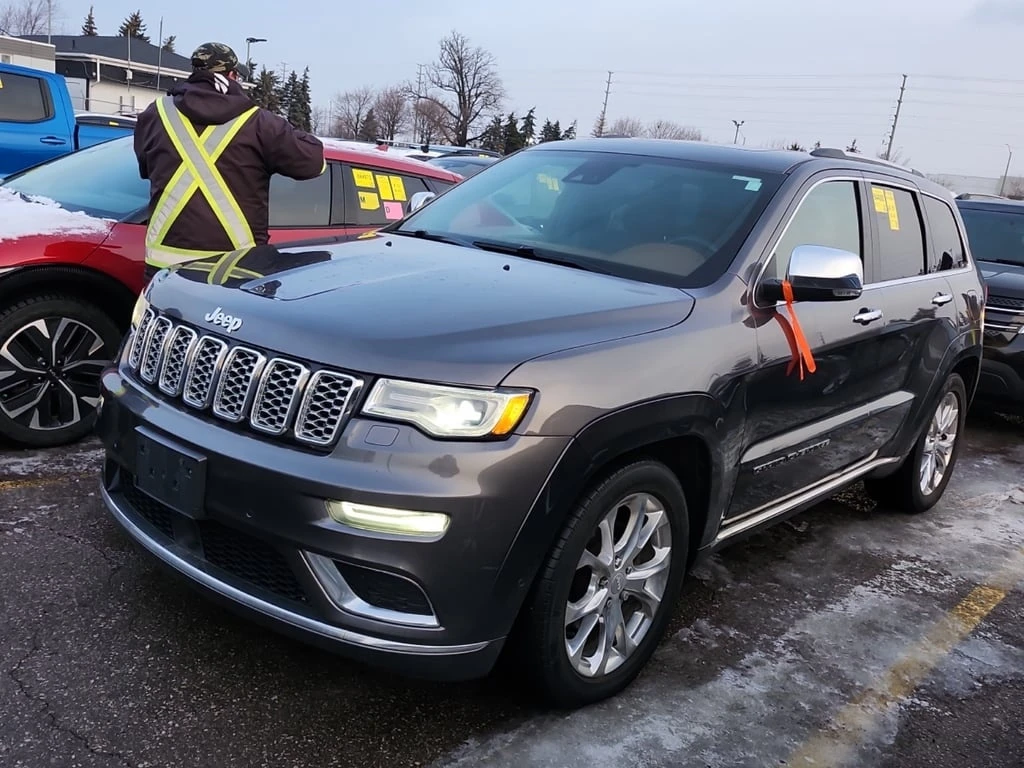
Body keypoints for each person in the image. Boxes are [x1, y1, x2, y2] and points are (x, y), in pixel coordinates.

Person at [134, 42, 326, 282]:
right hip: (235, 269)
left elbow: (145, 169)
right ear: (233, 75)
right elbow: (312, 163)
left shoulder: (155, 114)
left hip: (164, 268)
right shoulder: (259, 123)